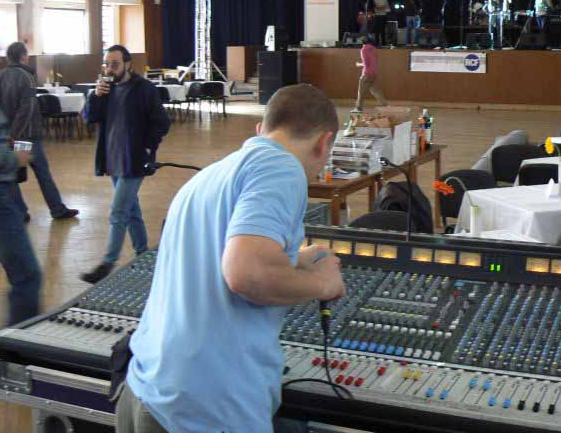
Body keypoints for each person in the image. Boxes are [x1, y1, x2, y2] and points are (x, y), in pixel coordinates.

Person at [120, 84, 346, 433]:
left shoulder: (210, 176)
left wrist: (292, 260)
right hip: (205, 409)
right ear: (323, 142)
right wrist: (322, 283)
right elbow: (246, 273)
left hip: (146, 391)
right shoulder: (282, 168)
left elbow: (214, 257)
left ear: (261, 129)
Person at [80, 45, 170, 284]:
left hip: (134, 159)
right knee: (131, 210)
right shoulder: (105, 89)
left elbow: (162, 122)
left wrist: (148, 148)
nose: (109, 69)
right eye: (107, 64)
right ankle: (143, 255)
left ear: (128, 64)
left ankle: (107, 263)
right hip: (112, 159)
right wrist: (95, 96)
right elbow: (89, 117)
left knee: (118, 211)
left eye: (115, 64)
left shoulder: (144, 89)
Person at [0, 42, 79, 223]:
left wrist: (8, 134)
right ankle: (57, 209)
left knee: (13, 175)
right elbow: (27, 110)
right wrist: (15, 135)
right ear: (23, 56)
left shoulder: (0, 77)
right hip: (27, 136)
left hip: (11, 135)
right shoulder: (26, 77)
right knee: (42, 173)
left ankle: (20, 211)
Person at [0, 26, 41, 325]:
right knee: (28, 276)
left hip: (1, 190)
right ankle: (16, 346)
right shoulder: (19, 77)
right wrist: (14, 156)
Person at [354, 34, 387, 112]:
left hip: (366, 74)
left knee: (361, 92)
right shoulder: (374, 49)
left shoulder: (363, 49)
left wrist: (358, 64)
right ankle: (385, 106)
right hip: (374, 73)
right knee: (375, 91)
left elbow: (366, 64)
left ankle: (358, 108)